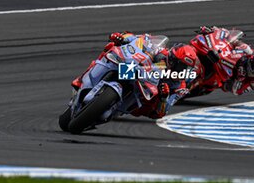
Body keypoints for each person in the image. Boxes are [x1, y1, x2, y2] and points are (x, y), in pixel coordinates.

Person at [71, 31, 202, 119]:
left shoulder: (180, 83)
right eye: (180, 65)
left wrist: (163, 97)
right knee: (111, 47)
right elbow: (139, 39)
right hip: (134, 70)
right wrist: (122, 37)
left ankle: (113, 107)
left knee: (152, 109)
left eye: (184, 68)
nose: (180, 69)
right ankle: (84, 78)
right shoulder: (160, 52)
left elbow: (162, 112)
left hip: (143, 95)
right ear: (173, 56)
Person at [189, 26, 254, 96]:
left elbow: (237, 91)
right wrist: (214, 30)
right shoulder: (247, 50)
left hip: (228, 80)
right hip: (223, 61)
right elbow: (232, 39)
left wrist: (240, 78)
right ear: (252, 58)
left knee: (213, 81)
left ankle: (190, 87)